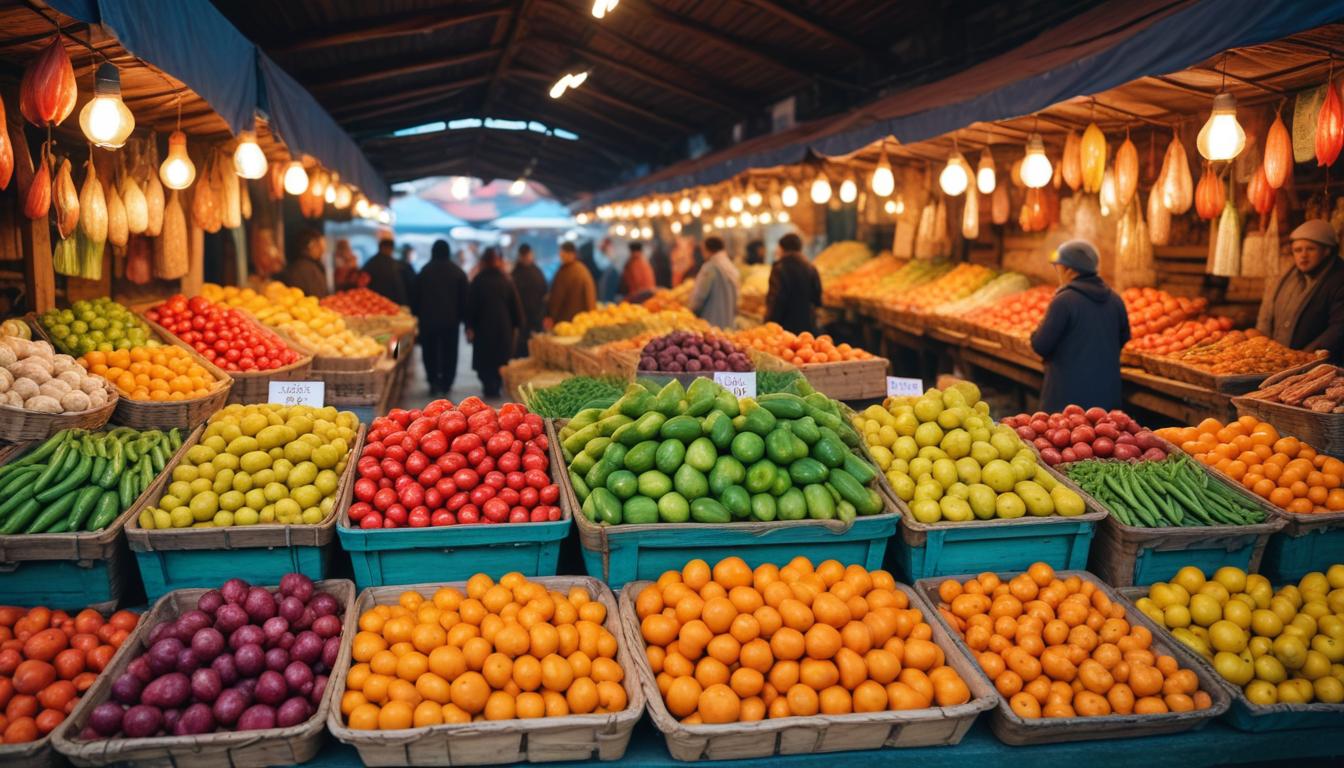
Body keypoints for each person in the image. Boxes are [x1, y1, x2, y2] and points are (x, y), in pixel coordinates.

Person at [1030, 239, 1130, 411]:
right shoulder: (1115, 299)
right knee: (1103, 437)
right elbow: (1124, 338)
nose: (1057, 271)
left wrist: (1035, 332)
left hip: (1067, 400)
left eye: (1058, 267)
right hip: (1106, 398)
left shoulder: (1063, 301)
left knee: (1065, 438)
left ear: (1069, 270)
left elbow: (1040, 345)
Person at [1256, 219, 1344, 363]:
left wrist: (1304, 356)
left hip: (1321, 366)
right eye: (1298, 250)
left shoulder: (1339, 278)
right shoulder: (1289, 276)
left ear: (1327, 251)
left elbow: (1339, 328)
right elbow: (1268, 312)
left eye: (1310, 249)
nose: (1303, 255)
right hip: (1282, 362)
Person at [465, 247, 524, 398]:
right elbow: (516, 306)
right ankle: (496, 385)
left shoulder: (478, 281)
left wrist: (469, 326)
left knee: (485, 361)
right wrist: (518, 324)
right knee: (500, 358)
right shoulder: (506, 280)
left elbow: (470, 307)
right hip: (503, 327)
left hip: (483, 328)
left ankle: (488, 386)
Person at [414, 240, 468, 394]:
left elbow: (415, 297)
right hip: (451, 322)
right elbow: (465, 299)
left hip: (428, 321)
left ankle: (432, 381)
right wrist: (464, 320)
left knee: (429, 352)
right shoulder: (458, 272)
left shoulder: (424, 271)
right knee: (450, 352)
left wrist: (417, 315)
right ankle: (446, 382)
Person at [765, 233, 822, 334]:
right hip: (807, 325)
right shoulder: (811, 267)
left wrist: (768, 323)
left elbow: (776, 299)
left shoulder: (779, 268)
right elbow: (817, 299)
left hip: (785, 327)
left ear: (782, 248)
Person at [688, 236, 740, 328]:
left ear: (707, 250)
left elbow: (700, 295)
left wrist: (689, 310)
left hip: (711, 319)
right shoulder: (730, 266)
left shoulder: (710, 267)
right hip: (728, 319)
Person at [546, 241, 596, 328]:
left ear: (572, 254)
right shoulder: (581, 270)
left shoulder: (573, 271)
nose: (561, 256)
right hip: (577, 322)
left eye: (563, 253)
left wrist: (551, 315)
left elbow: (557, 298)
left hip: (569, 322)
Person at [512, 243, 548, 357]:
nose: (527, 258)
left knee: (534, 351)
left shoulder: (535, 271)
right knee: (523, 351)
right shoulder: (515, 273)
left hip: (536, 319)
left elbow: (544, 293)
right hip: (522, 321)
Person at [276, 229, 330, 297]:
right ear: (311, 245)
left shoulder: (307, 266)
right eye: (320, 245)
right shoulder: (305, 269)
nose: (322, 250)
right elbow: (318, 296)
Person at [363, 237, 410, 306]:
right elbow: (398, 285)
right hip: (391, 302)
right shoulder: (392, 264)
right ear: (387, 248)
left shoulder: (370, 263)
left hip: (373, 301)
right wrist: (403, 303)